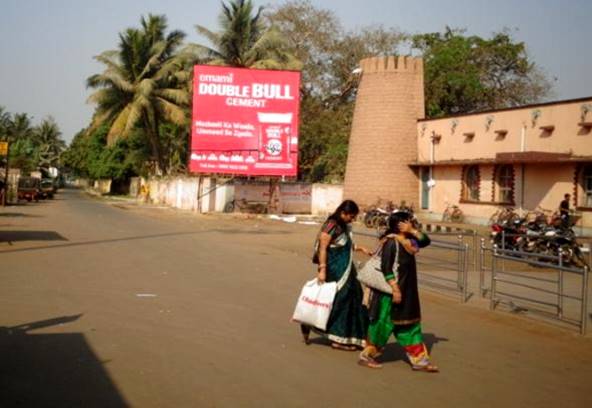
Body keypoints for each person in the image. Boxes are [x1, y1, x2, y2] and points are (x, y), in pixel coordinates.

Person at [358, 211, 439, 372]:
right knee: (382, 325)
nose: (413, 223)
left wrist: (413, 231)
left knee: (410, 325)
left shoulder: (410, 241)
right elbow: (386, 267)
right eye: (409, 222)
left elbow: (426, 241)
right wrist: (395, 289)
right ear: (400, 224)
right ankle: (366, 355)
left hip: (408, 292)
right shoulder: (391, 242)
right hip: (389, 293)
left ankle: (419, 361)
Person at [301, 200, 372, 350]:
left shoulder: (342, 226)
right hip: (334, 269)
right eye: (351, 216)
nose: (352, 220)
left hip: (346, 269)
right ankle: (336, 337)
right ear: (343, 213)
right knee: (340, 299)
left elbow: (344, 244)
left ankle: (348, 337)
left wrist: (361, 249)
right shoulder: (331, 225)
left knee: (354, 297)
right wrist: (322, 269)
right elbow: (323, 248)